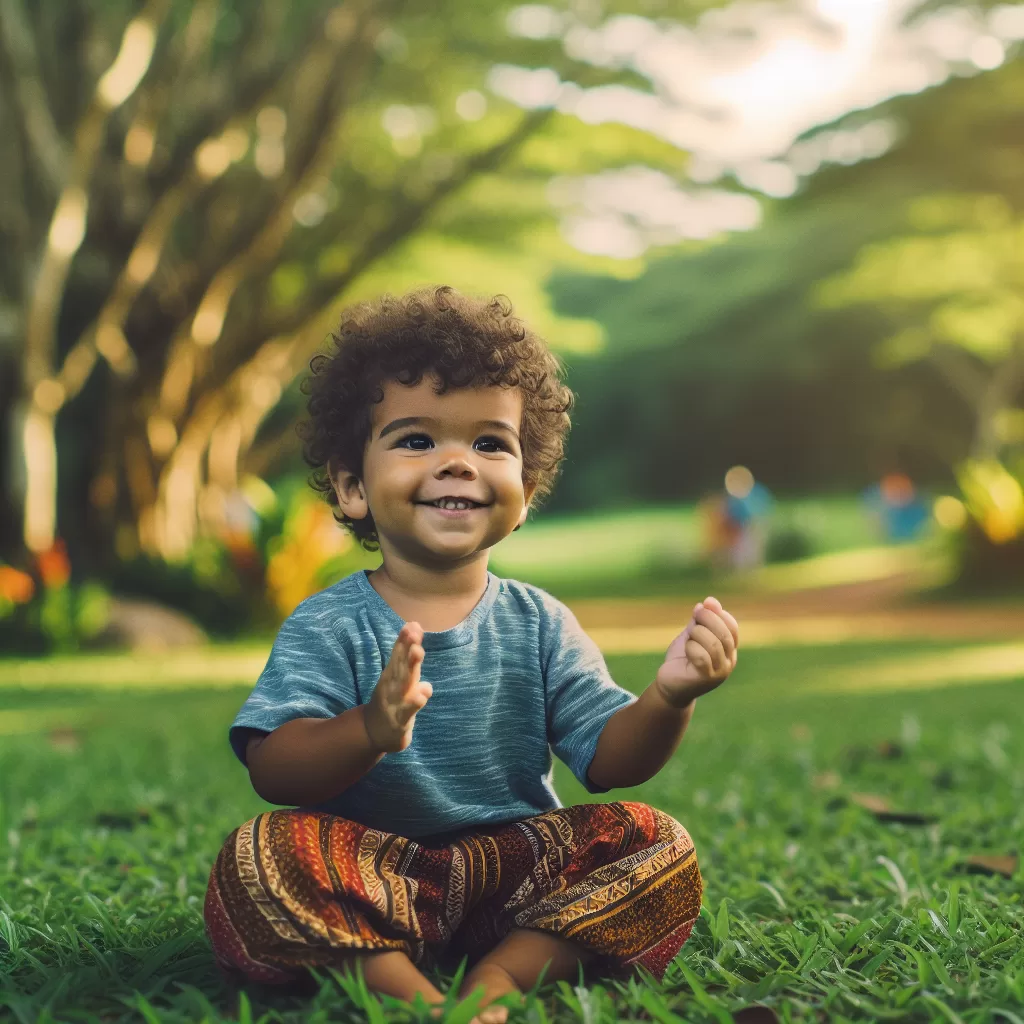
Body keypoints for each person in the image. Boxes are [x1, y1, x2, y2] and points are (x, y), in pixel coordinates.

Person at [203, 286, 740, 1024]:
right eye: (417, 439)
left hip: (515, 879)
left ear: (524, 490)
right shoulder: (327, 624)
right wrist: (369, 731)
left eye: (491, 443)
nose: (458, 462)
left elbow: (611, 762)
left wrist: (667, 698)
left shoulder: (541, 622)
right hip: (369, 877)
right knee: (258, 856)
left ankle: (504, 979)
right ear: (353, 485)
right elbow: (274, 770)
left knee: (656, 842)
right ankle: (413, 996)